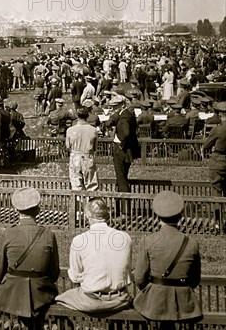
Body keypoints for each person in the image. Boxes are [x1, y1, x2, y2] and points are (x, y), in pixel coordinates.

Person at [0, 188, 59, 329]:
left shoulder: (8, 234)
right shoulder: (49, 235)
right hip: (41, 294)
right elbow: (54, 273)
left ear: (16, 210)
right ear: (38, 210)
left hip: (14, 294)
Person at [133, 191, 202, 327]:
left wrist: (153, 290)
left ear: (158, 217)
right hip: (184, 303)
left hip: (155, 302)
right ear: (181, 216)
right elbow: (194, 279)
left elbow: (139, 278)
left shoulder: (149, 241)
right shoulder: (192, 242)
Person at [55, 198, 132, 313]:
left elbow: (75, 276)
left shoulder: (79, 240)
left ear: (87, 215)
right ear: (107, 215)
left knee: (58, 299)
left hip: (92, 300)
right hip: (120, 299)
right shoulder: (125, 237)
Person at [107, 95, 140, 195]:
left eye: (115, 106)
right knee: (122, 177)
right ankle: (122, 205)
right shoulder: (128, 113)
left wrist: (122, 145)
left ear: (121, 106)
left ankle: (125, 207)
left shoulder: (124, 116)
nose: (113, 109)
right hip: (127, 150)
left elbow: (126, 133)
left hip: (122, 150)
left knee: (121, 179)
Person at [65, 107, 99, 191]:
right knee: (92, 186)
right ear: (87, 116)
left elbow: (67, 146)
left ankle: (77, 203)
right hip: (88, 157)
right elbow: (95, 147)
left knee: (76, 186)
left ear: (77, 116)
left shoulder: (70, 130)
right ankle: (92, 203)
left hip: (75, 157)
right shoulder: (93, 130)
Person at [203, 101, 226, 197]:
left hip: (218, 161)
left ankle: (218, 211)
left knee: (216, 189)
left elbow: (206, 146)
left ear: (220, 115)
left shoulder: (217, 130)